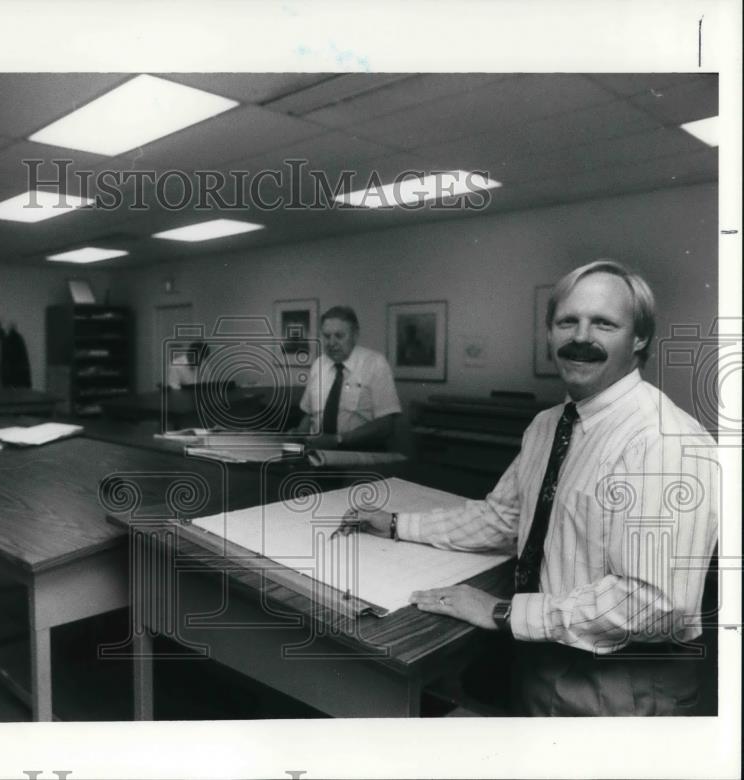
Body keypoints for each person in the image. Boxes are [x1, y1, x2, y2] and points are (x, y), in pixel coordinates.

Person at [337, 260, 719, 716]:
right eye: (567, 322)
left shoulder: (664, 440)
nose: (581, 337)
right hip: (541, 664)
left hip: (620, 692)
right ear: (550, 333)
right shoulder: (547, 426)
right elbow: (502, 517)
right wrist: (396, 524)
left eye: (604, 323)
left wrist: (502, 612)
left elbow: (658, 604)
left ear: (639, 338)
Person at [295, 306, 401, 451]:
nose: (331, 343)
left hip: (358, 455)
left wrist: (337, 440)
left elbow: (386, 425)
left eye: (339, 336)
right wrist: (298, 436)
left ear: (355, 335)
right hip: (318, 454)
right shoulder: (318, 365)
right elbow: (309, 415)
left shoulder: (375, 363)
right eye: (326, 336)